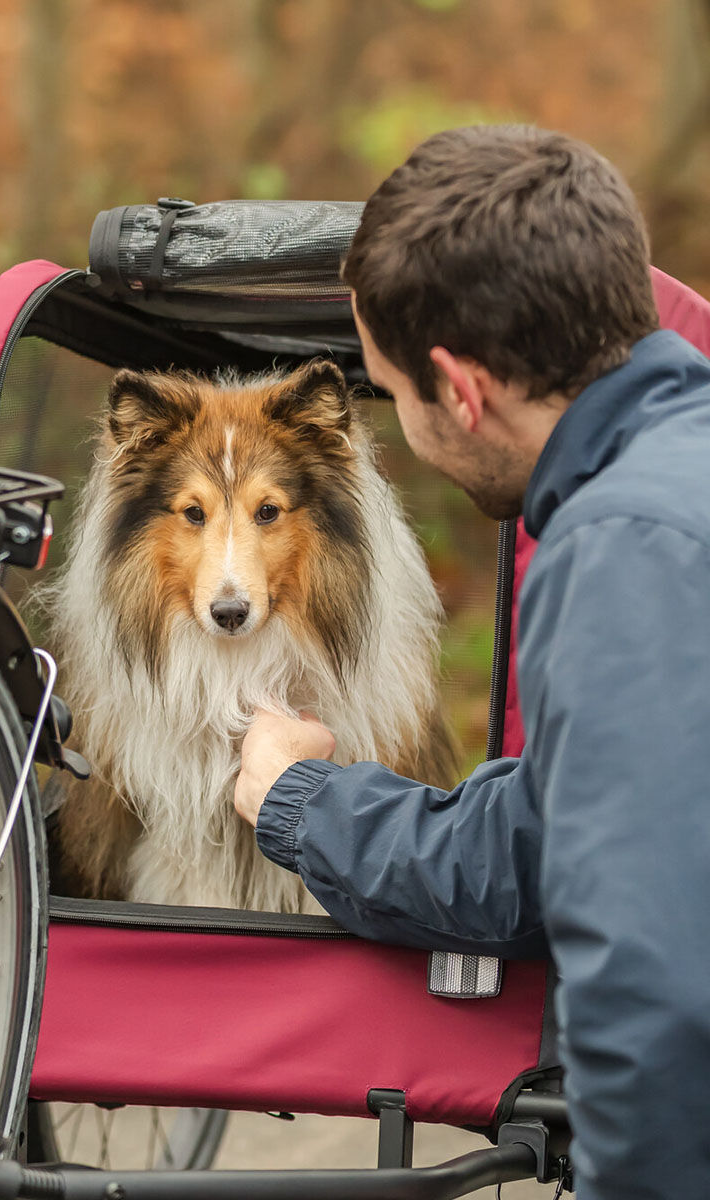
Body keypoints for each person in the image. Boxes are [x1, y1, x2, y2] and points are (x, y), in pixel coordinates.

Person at [233, 124, 710, 1200]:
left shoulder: (626, 546)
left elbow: (654, 984)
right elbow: (551, 842)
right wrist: (306, 801)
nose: (399, 422)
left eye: (390, 391)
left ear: (458, 388)